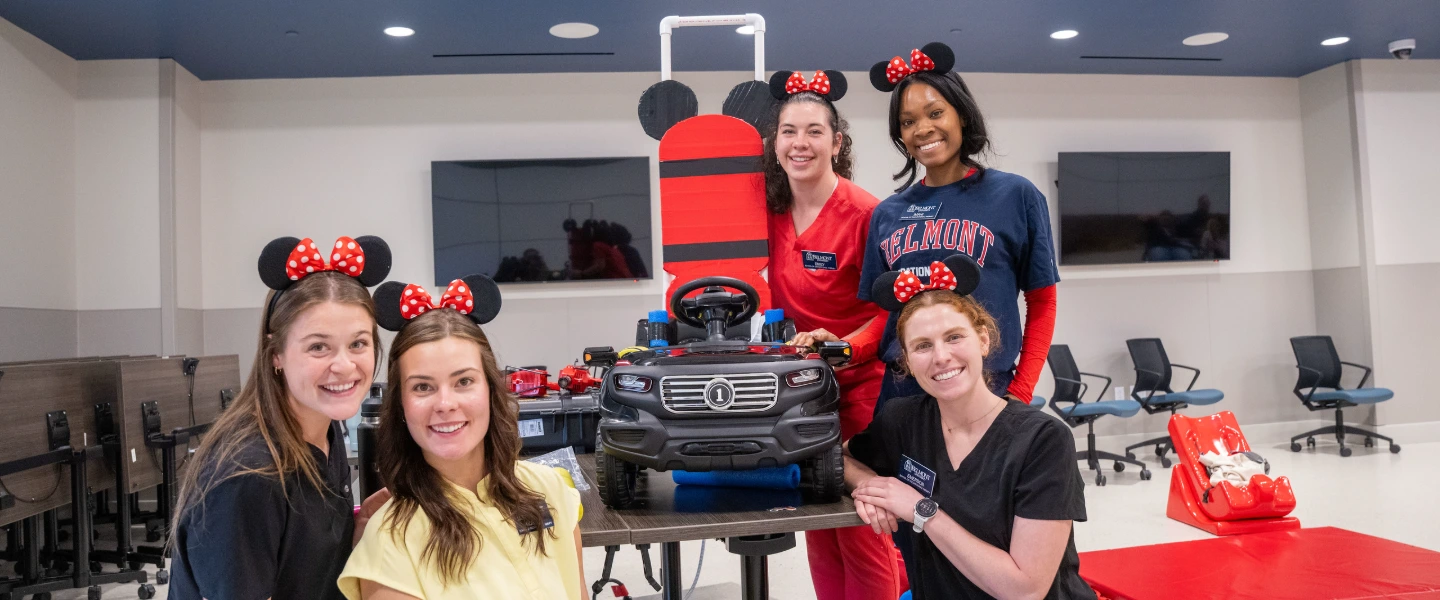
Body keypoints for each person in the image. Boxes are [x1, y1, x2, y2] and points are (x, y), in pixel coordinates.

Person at [844, 254, 1093, 600]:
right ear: (908, 361)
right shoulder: (902, 420)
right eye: (923, 346)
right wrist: (873, 487)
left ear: (983, 340)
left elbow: (1025, 591)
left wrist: (919, 509)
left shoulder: (1042, 440)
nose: (941, 357)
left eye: (954, 337)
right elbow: (842, 458)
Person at [169, 235, 393, 600]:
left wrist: (353, 537)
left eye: (358, 344)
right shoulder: (248, 477)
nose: (344, 366)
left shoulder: (324, 426)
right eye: (318, 346)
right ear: (276, 354)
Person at [339, 275, 585, 599]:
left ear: (490, 390)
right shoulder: (390, 539)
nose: (445, 404)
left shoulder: (550, 490)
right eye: (423, 387)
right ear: (401, 404)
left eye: (464, 381)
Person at [760, 68, 904, 600]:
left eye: (814, 131)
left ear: (836, 141)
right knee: (820, 525)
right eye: (789, 131)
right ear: (775, 142)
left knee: (862, 524)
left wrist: (846, 347)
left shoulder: (869, 214)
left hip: (860, 389)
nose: (801, 144)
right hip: (798, 390)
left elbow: (896, 308)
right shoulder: (767, 214)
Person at [860, 42, 1059, 412]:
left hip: (988, 388)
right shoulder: (887, 213)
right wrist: (841, 346)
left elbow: (1042, 302)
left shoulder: (1015, 195)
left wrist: (1021, 392)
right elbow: (882, 318)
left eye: (935, 112)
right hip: (904, 393)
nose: (923, 129)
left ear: (962, 115)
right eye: (908, 121)